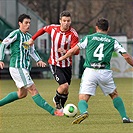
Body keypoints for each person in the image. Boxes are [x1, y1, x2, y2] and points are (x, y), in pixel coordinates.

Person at [57, 18, 133, 123]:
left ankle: (83, 112)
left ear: (96, 28)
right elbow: (126, 56)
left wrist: (63, 57)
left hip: (90, 71)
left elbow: (74, 50)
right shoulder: (112, 41)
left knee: (83, 97)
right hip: (104, 72)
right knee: (114, 94)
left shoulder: (89, 38)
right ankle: (125, 117)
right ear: (108, 28)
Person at [0, 14, 63, 116]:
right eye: (26, 23)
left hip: (24, 68)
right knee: (33, 89)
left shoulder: (29, 37)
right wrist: (1, 59)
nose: (28, 25)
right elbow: (3, 44)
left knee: (22, 94)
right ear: (20, 23)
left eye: (29, 23)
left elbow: (32, 51)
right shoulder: (16, 34)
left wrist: (38, 60)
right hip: (17, 67)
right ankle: (53, 111)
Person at [27, 11, 79, 110]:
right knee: (64, 86)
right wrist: (32, 39)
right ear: (60, 21)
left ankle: (62, 107)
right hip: (55, 63)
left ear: (70, 21)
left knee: (66, 89)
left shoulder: (73, 34)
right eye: (64, 20)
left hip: (67, 64)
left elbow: (76, 51)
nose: (66, 23)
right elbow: (43, 29)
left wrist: (66, 51)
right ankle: (56, 99)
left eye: (68, 21)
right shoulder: (53, 29)